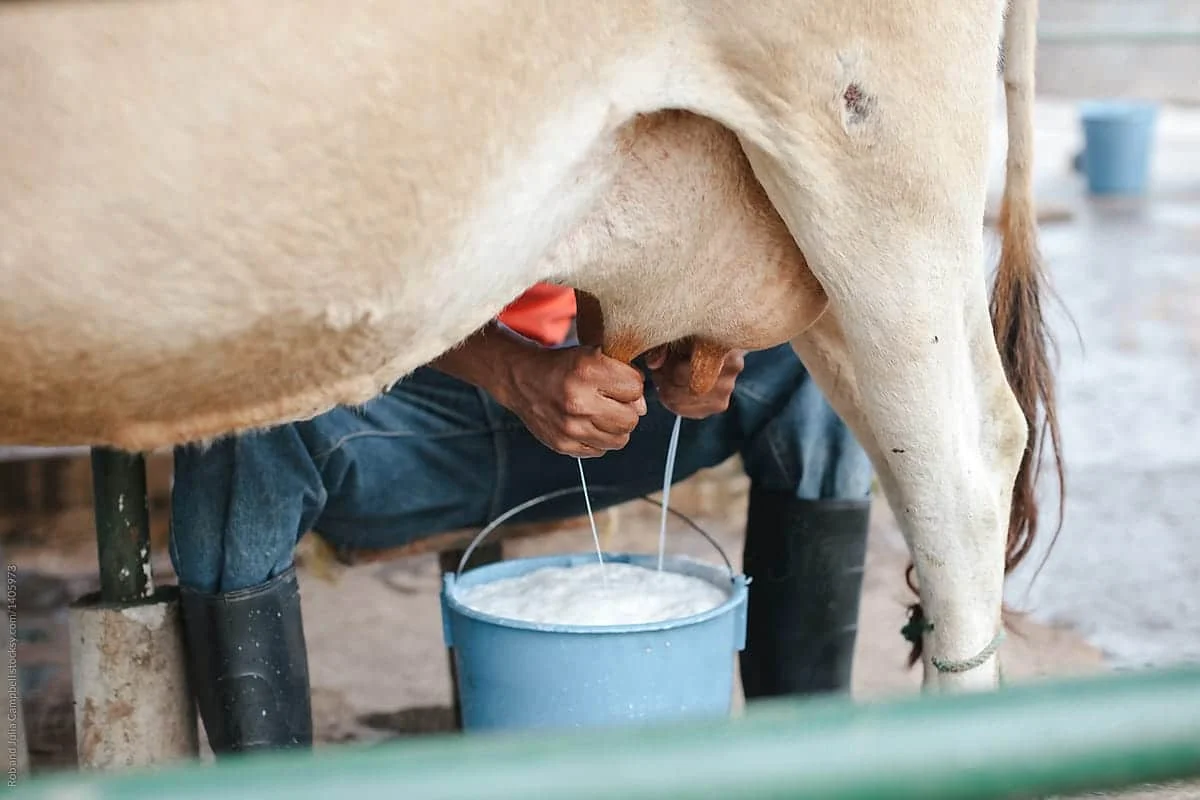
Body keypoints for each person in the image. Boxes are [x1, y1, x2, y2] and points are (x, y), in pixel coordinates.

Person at [169, 284, 875, 754]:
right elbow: (305, 285)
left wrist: (703, 341)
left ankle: (804, 755)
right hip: (398, 423)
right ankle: (270, 782)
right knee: (238, 423)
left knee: (821, 371)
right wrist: (509, 370)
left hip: (604, 408)